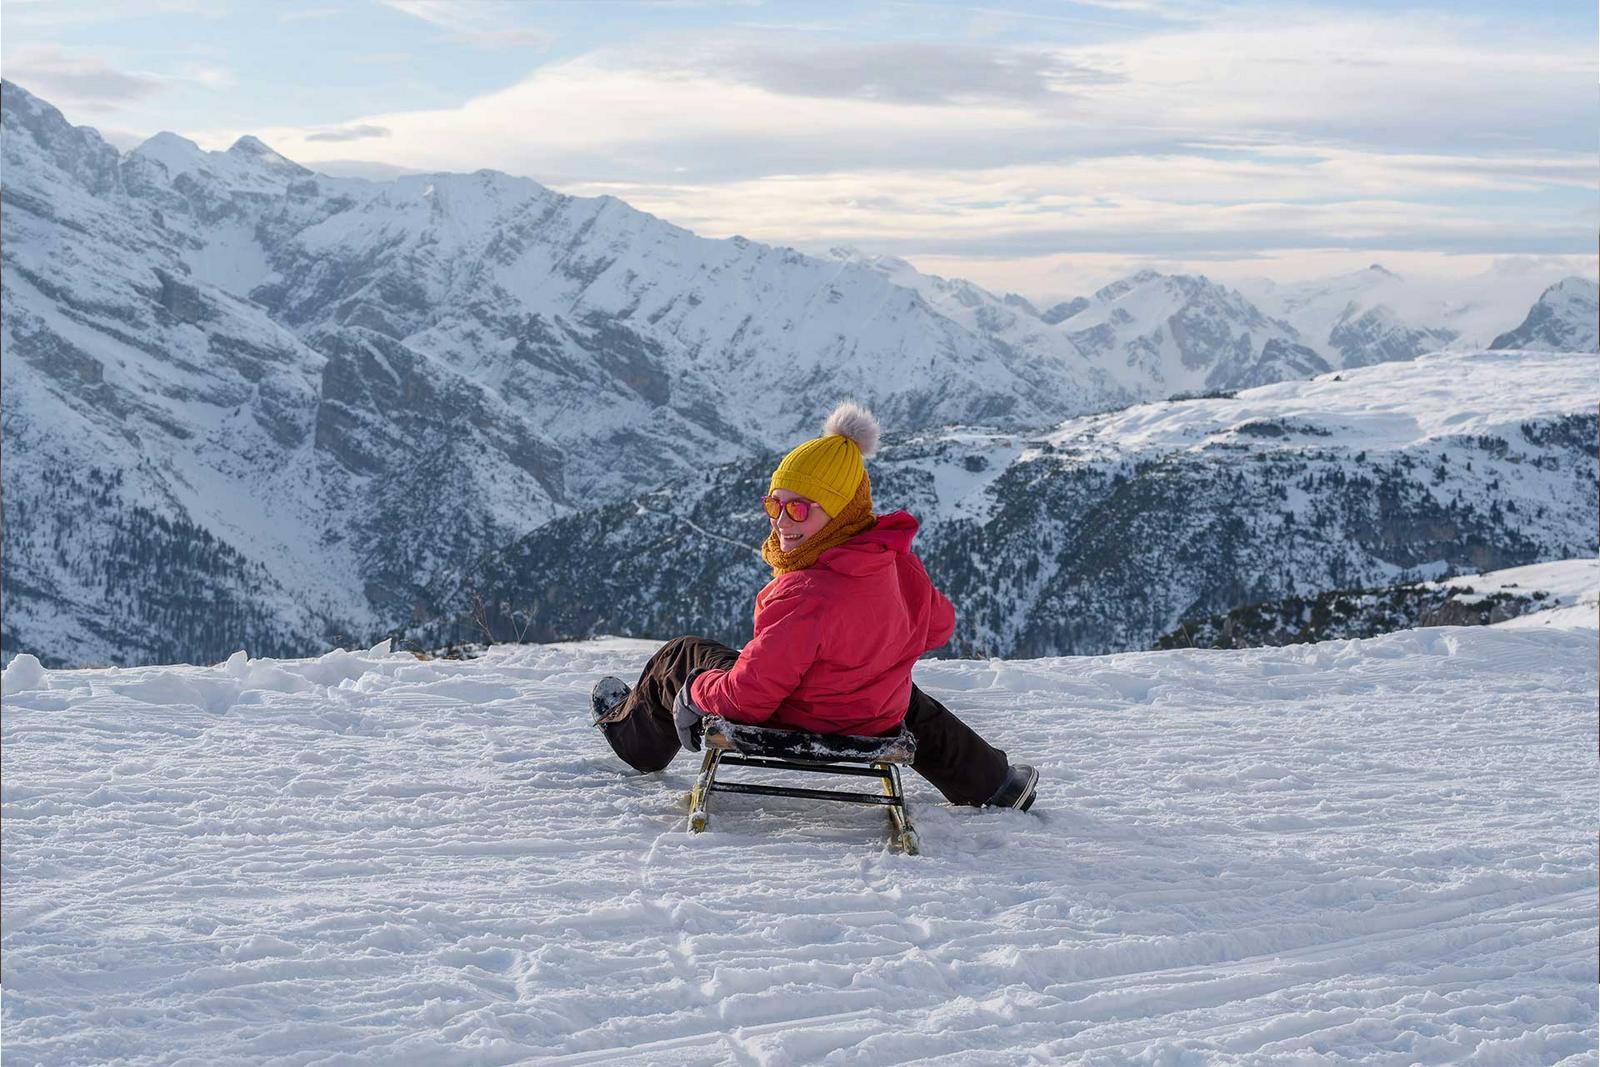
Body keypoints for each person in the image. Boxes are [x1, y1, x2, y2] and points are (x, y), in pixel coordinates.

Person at [590, 401, 1038, 810]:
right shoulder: (892, 560)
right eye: (774, 505)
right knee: (899, 695)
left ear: (842, 511)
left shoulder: (808, 593)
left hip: (802, 719)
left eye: (800, 510)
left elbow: (748, 699)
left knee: (683, 654)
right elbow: (938, 627)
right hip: (870, 714)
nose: (782, 523)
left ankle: (634, 742)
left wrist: (695, 690)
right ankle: (994, 783)